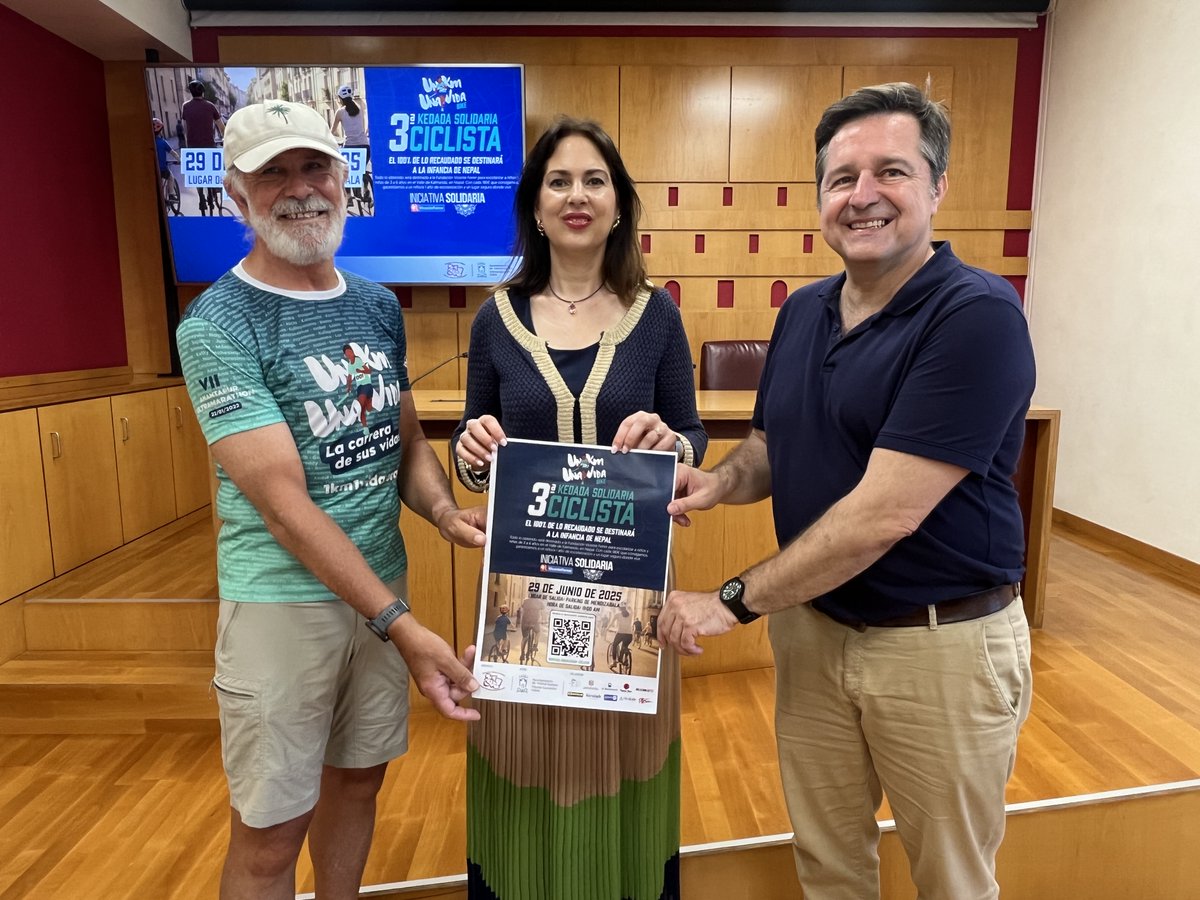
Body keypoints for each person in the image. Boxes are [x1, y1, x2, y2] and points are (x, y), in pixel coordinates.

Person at [659, 82, 1035, 900]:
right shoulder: (802, 311)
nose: (862, 196)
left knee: (952, 883)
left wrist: (729, 600)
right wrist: (715, 482)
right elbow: (769, 446)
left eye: (891, 172)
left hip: (938, 648)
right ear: (819, 198)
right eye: (841, 179)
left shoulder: (976, 316)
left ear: (938, 187)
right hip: (816, 635)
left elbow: (883, 514)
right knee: (829, 868)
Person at [175, 99, 485, 900]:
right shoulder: (217, 322)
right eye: (271, 173)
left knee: (356, 788)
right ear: (236, 197)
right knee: (271, 836)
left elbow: (406, 442)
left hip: (380, 592)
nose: (299, 188)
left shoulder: (375, 306)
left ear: (345, 181)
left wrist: (444, 512)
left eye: (315, 167)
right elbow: (282, 504)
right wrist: (404, 626)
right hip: (282, 606)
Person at [452, 116, 707, 900]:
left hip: (628, 590)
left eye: (594, 180)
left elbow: (690, 435)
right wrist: (469, 452)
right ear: (535, 205)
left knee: (620, 747)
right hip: (524, 592)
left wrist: (676, 444)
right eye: (559, 180)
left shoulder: (656, 313)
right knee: (524, 748)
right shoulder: (496, 317)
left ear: (619, 205)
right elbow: (474, 453)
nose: (577, 195)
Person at [180, 78, 225, 215]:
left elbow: (184, 127)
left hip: (192, 147)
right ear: (203, 92)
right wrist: (225, 137)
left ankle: (201, 197)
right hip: (209, 145)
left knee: (196, 174)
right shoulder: (210, 106)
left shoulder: (185, 106)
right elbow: (221, 126)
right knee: (217, 168)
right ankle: (215, 190)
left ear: (191, 93)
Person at [151, 117, 179, 205]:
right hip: (162, 169)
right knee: (170, 177)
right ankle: (171, 194)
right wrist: (179, 160)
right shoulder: (162, 142)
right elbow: (173, 153)